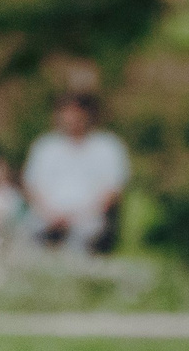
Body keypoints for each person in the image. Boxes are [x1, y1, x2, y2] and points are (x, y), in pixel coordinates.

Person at [20, 90, 130, 253]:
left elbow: (112, 192)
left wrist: (77, 217)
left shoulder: (107, 147)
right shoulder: (45, 146)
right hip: (47, 217)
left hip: (88, 220)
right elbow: (31, 186)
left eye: (75, 113)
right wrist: (51, 215)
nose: (70, 119)